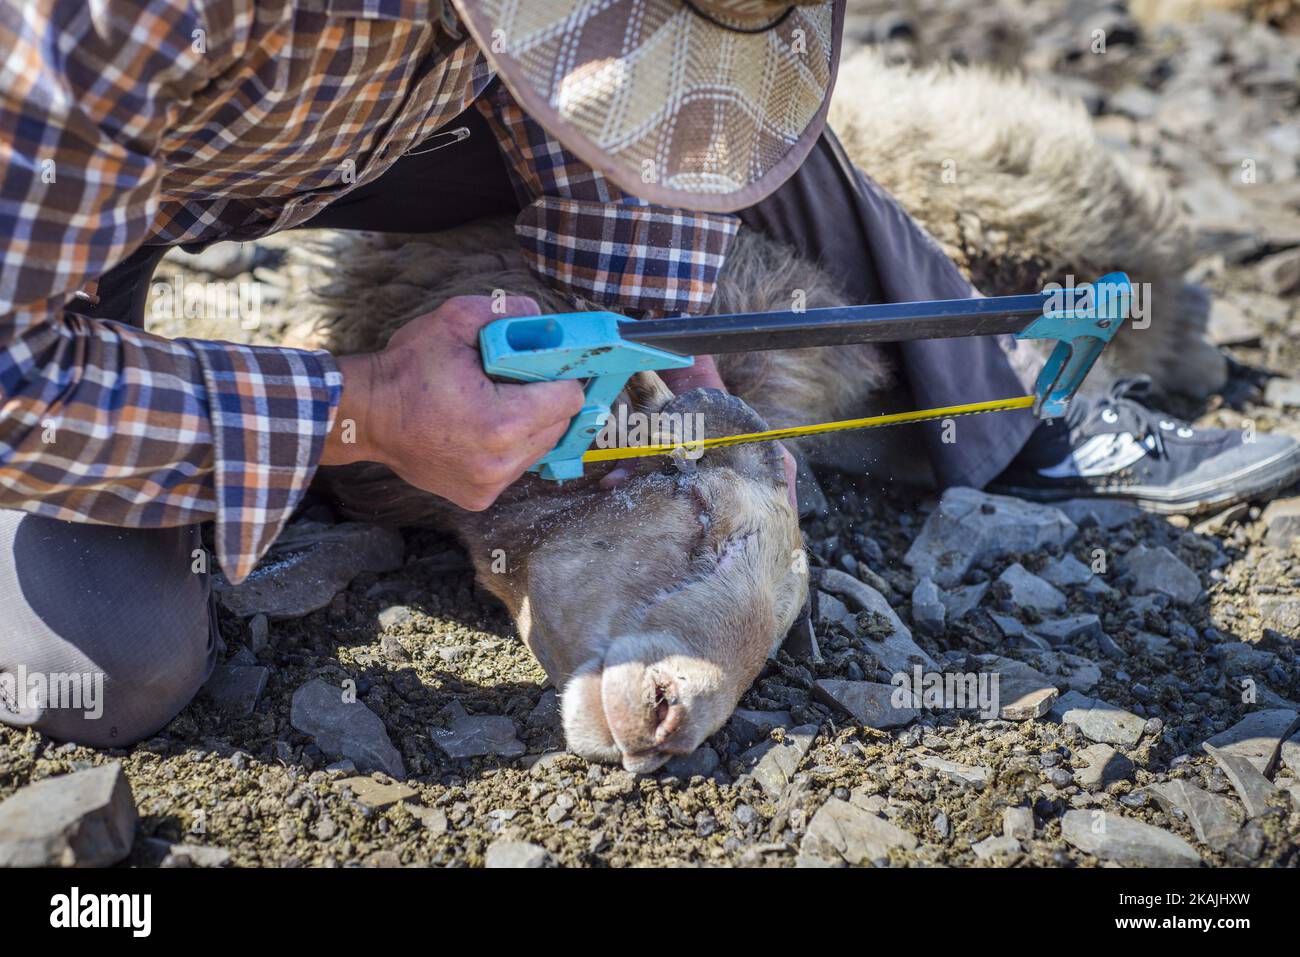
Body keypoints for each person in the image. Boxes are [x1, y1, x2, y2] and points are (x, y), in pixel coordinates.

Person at [2, 0, 1295, 746]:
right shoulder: (117, 15)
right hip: (72, 209)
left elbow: (636, 203)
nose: (645, 63)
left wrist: (683, 398)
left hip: (374, 109)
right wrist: (356, 413)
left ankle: (1017, 410)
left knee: (739, 157)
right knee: (114, 664)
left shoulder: (577, 32)